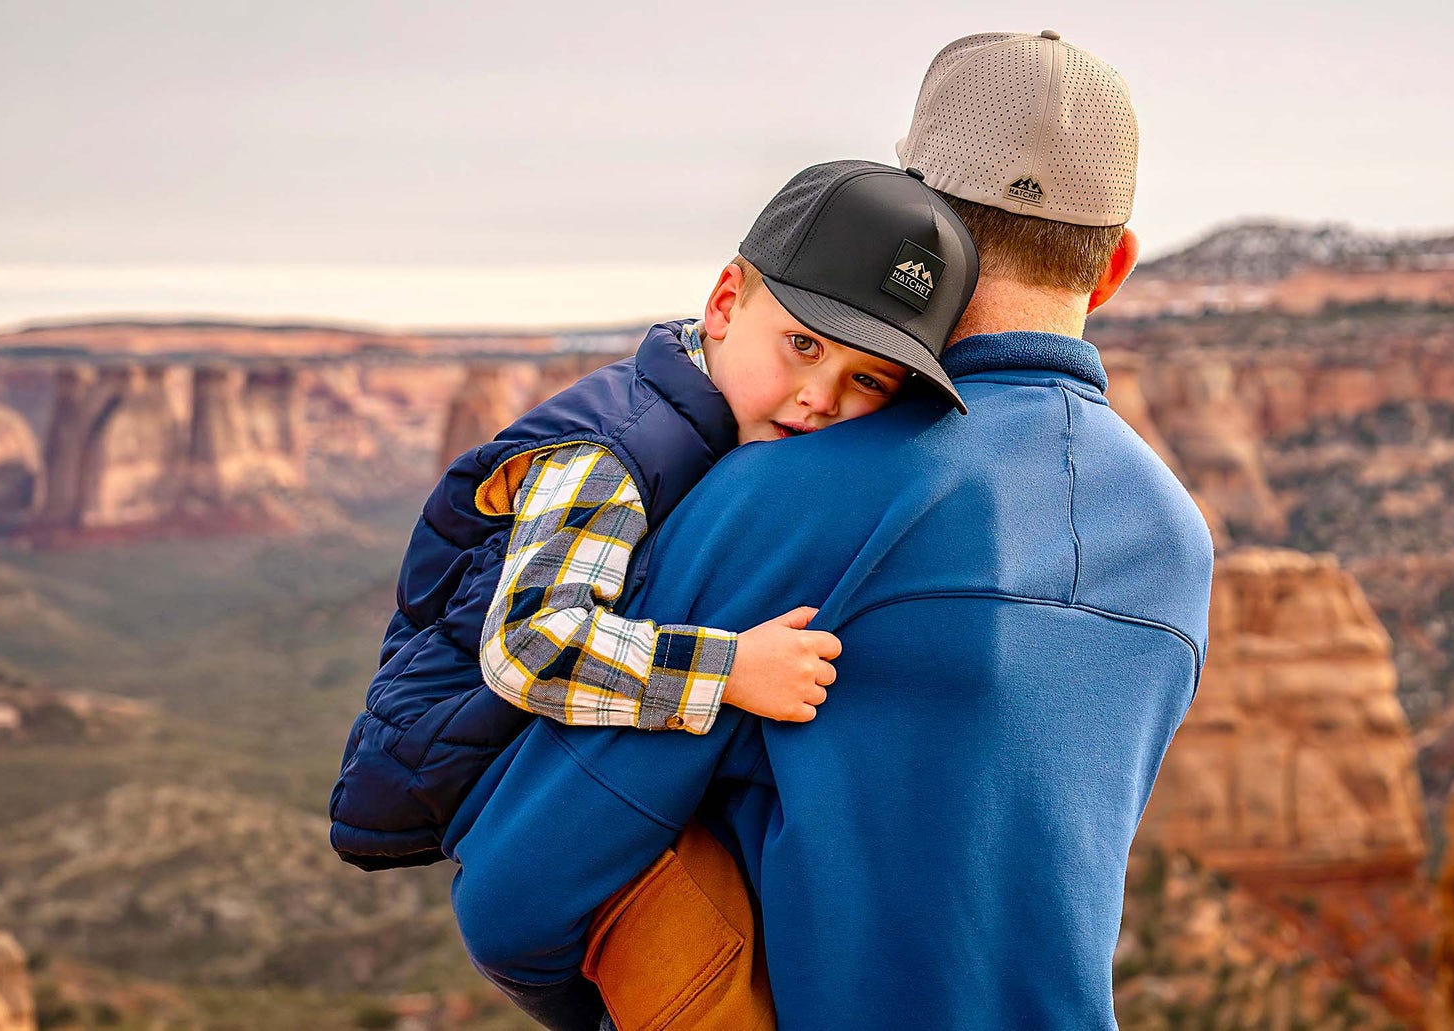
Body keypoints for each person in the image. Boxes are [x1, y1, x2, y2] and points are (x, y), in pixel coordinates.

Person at [448, 30, 1215, 1030]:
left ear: (915, 229)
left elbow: (516, 894)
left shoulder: (774, 493)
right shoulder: (1173, 541)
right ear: (1112, 265)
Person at [328, 160, 979, 870]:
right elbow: (528, 645)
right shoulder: (620, 449)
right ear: (726, 305)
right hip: (445, 769)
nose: (821, 398)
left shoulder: (706, 421)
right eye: (803, 345)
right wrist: (731, 670)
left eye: (867, 380)